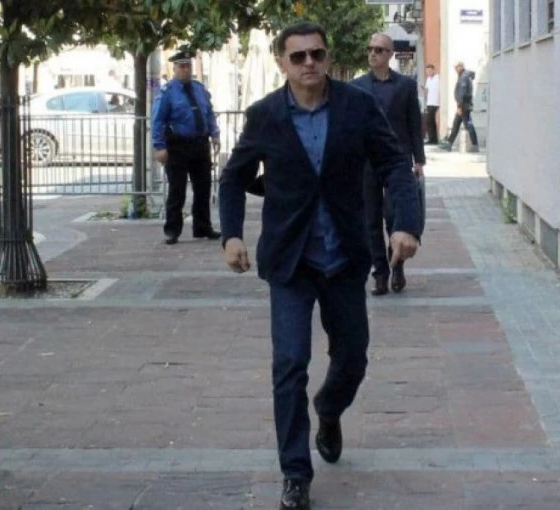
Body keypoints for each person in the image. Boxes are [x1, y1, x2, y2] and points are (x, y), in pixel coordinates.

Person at [219, 21, 421, 510]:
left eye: (316, 54)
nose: (309, 63)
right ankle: (295, 473)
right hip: (291, 260)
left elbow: (395, 164)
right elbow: (233, 178)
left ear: (327, 57)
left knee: (352, 358)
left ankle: (328, 410)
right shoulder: (265, 115)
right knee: (289, 365)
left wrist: (406, 225)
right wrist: (231, 235)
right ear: (282, 64)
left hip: (345, 256)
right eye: (298, 56)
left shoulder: (357, 106)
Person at [351, 33, 425, 296]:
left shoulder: (405, 86)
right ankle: (380, 274)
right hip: (367, 162)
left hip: (397, 161)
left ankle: (397, 267)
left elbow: (414, 124)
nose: (373, 53)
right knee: (370, 219)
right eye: (370, 49)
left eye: (379, 50)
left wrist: (419, 160)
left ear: (390, 54)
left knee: (394, 217)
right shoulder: (357, 86)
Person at [152, 45, 221, 244]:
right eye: (181, 66)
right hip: (177, 146)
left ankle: (202, 227)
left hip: (200, 144)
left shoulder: (199, 89)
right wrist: (159, 146)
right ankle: (172, 231)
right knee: (177, 190)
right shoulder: (167, 92)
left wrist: (215, 134)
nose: (185, 70)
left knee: (203, 188)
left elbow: (208, 113)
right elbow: (158, 121)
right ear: (174, 69)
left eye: (188, 66)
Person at [441, 62, 478, 152]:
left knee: (468, 124)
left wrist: (459, 106)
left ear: (461, 67)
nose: (455, 69)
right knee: (456, 124)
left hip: (463, 105)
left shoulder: (464, 77)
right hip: (464, 104)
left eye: (456, 67)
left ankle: (475, 145)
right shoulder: (465, 76)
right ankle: (449, 143)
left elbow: (462, 92)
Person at [423, 64, 440, 144]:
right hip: (429, 102)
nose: (428, 72)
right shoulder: (428, 79)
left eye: (430, 71)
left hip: (436, 102)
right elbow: (427, 90)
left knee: (428, 121)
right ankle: (434, 139)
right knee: (431, 121)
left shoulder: (438, 78)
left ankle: (432, 139)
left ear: (433, 70)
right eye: (427, 71)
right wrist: (424, 90)